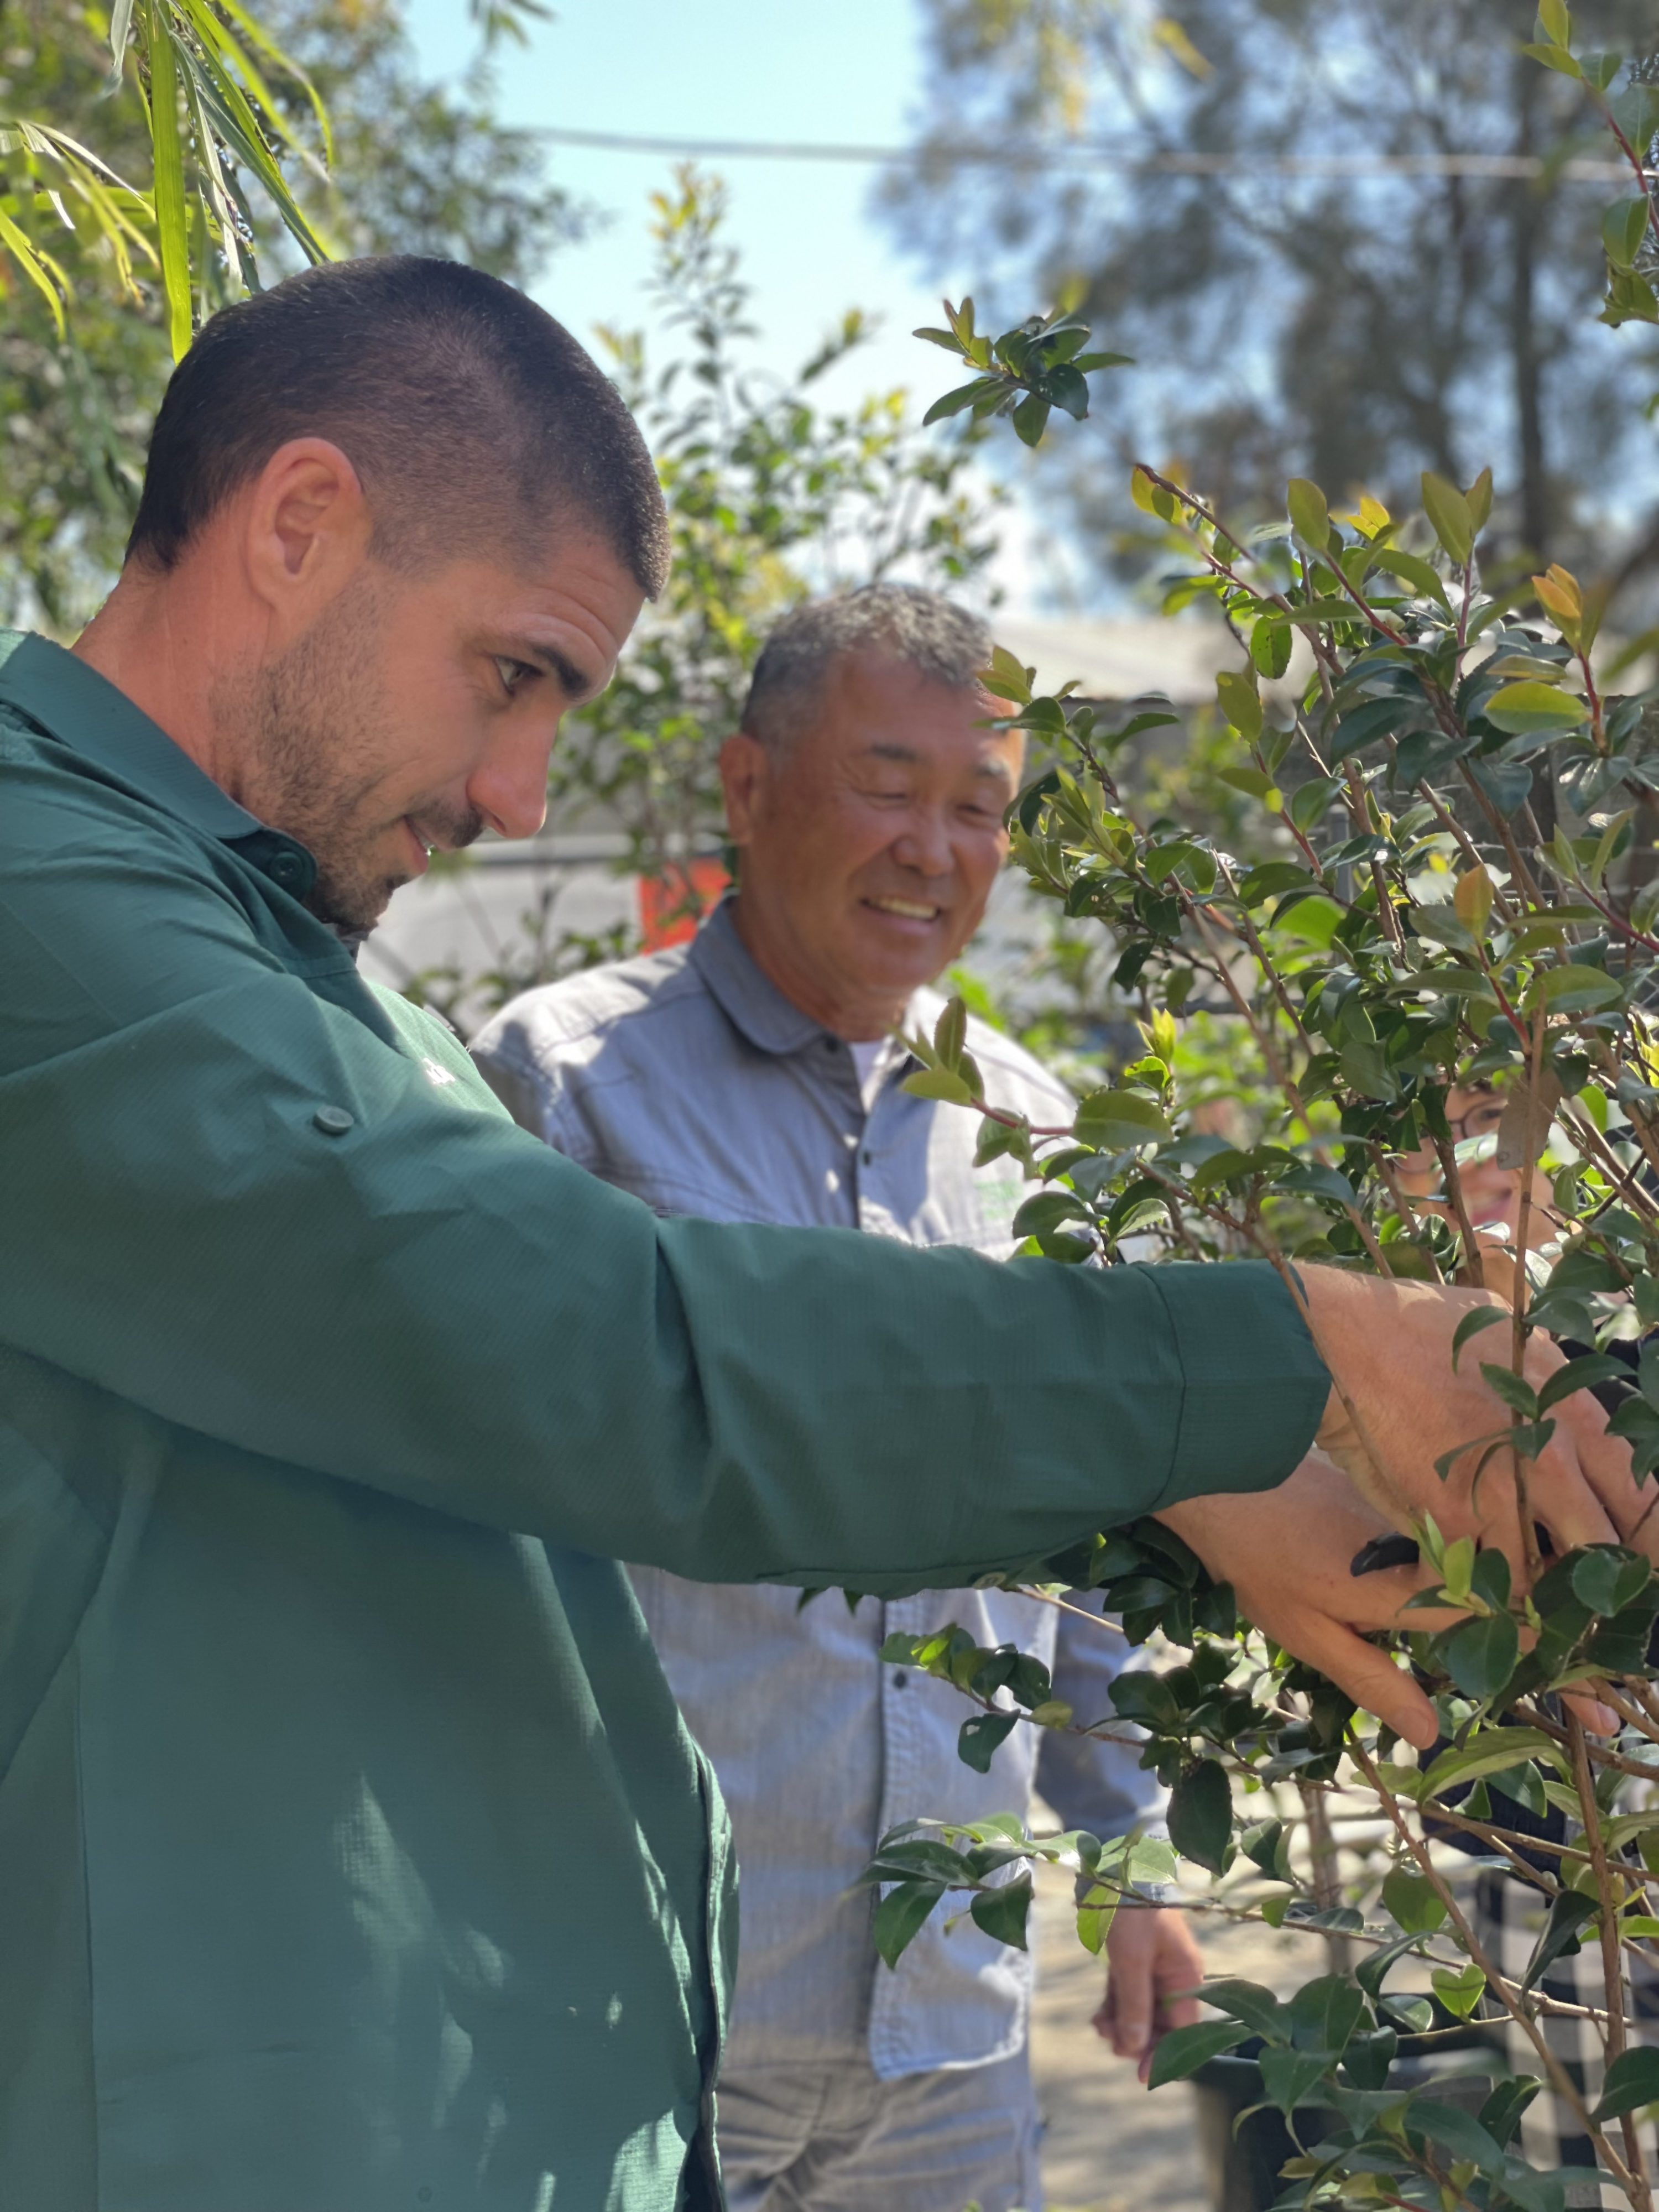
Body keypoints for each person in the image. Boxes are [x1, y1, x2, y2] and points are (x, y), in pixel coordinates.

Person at [0, 254, 1642, 2212]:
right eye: (514, 670)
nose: (519, 793)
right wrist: (1280, 1340)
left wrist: (1192, 1494)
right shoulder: (55, 915)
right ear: (299, 523)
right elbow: (611, 1352)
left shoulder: (276, 961)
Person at [472, 586, 1206, 2212]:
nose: (933, 849)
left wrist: (1136, 1852)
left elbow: (1094, 1536)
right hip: (643, 2017)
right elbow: (473, 1541)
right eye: (890, 785)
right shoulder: (566, 1084)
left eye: (979, 809)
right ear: (749, 787)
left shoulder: (1035, 1132)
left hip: (949, 2033)